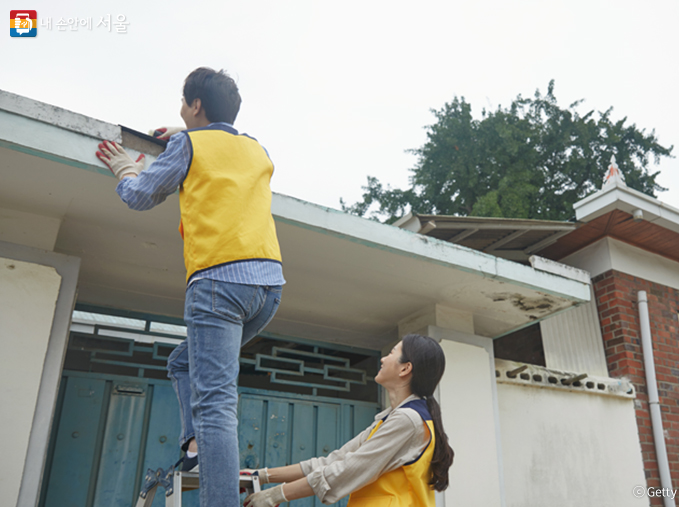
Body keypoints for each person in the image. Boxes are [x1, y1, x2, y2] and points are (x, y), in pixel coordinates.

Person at [95, 67, 285, 507]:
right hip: (268, 289)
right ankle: (196, 450)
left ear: (196, 105)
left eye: (185, 103)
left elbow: (141, 195)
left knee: (216, 404)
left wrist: (125, 167)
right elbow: (219, 145)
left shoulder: (187, 144)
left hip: (219, 282)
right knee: (183, 362)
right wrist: (184, 132)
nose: (181, 109)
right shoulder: (256, 149)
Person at [241, 333, 455, 507]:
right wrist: (263, 475)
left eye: (391, 353)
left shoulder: (409, 420)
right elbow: (333, 461)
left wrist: (275, 495)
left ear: (405, 368)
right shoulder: (391, 417)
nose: (383, 358)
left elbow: (347, 470)